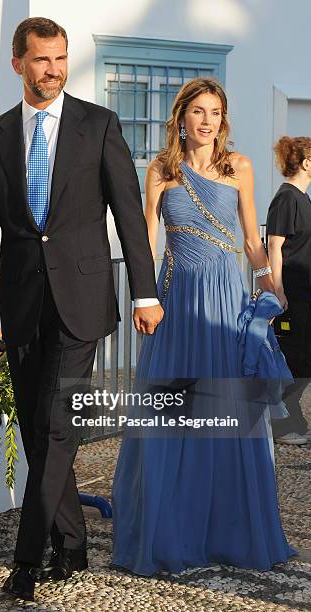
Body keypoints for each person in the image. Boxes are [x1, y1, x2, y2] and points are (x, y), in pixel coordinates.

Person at [0, 17, 163, 601]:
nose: (52, 70)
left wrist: (145, 293)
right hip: (20, 307)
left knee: (56, 427)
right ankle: (71, 549)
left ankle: (25, 562)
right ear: (18, 62)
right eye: (41, 60)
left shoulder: (98, 126)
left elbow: (127, 214)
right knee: (40, 435)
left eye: (60, 59)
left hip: (82, 304)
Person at [111, 77, 297, 576]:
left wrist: (268, 284)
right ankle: (171, 532)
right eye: (198, 111)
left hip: (223, 306)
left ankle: (228, 532)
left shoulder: (240, 167)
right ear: (181, 117)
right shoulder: (159, 172)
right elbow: (147, 243)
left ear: (223, 119)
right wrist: (142, 295)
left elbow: (252, 239)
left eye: (215, 112)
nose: (207, 120)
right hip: (176, 306)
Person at [266, 136, 311, 445]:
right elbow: (274, 246)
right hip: (293, 295)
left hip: (305, 292)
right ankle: (280, 422)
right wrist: (277, 291)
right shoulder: (287, 198)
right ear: (307, 163)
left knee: (303, 360)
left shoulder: (302, 198)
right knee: (297, 361)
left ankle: (291, 420)